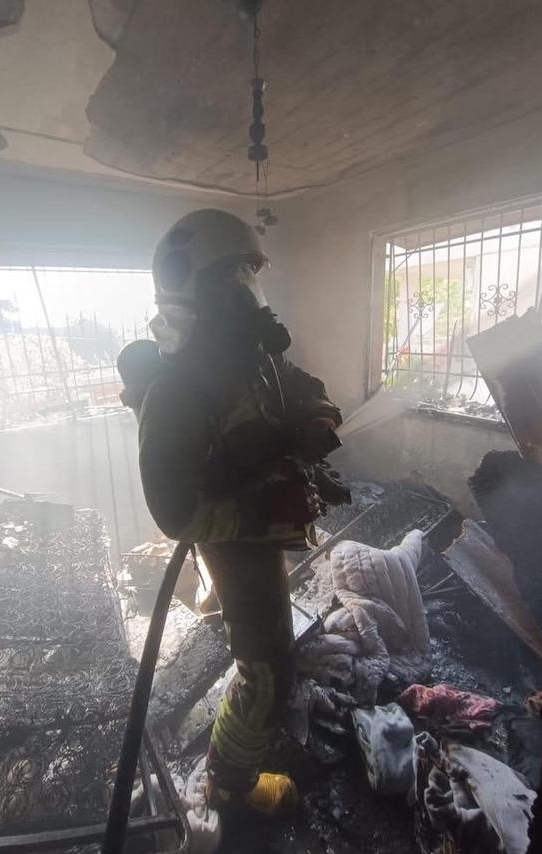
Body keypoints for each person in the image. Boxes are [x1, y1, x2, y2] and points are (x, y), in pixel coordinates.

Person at [134, 209, 344, 816]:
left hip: (262, 534)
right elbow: (175, 513)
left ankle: (237, 760)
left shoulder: (255, 359)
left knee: (269, 651)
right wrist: (264, 510)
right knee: (266, 670)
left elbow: (308, 389)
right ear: (191, 287)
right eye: (230, 277)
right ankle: (230, 785)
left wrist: (316, 422)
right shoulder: (175, 390)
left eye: (250, 274)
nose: (246, 291)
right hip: (235, 547)